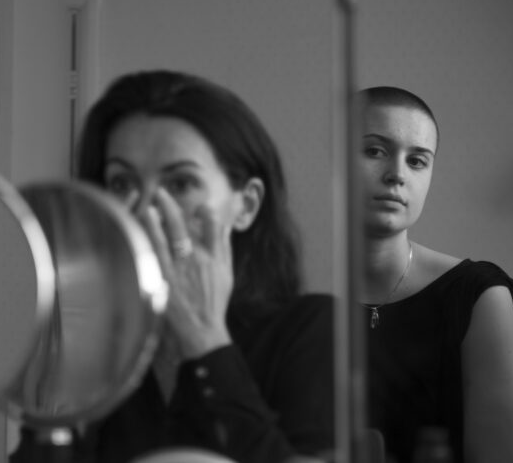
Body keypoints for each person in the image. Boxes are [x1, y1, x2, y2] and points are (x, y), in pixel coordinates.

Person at [64, 70, 334, 463]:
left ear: (246, 205)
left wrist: (205, 337)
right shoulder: (99, 347)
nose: (147, 210)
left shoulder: (311, 330)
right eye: (121, 183)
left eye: (180, 184)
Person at [356, 86, 513, 463]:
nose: (396, 175)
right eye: (375, 151)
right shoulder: (301, 300)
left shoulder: (478, 295)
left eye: (417, 161)